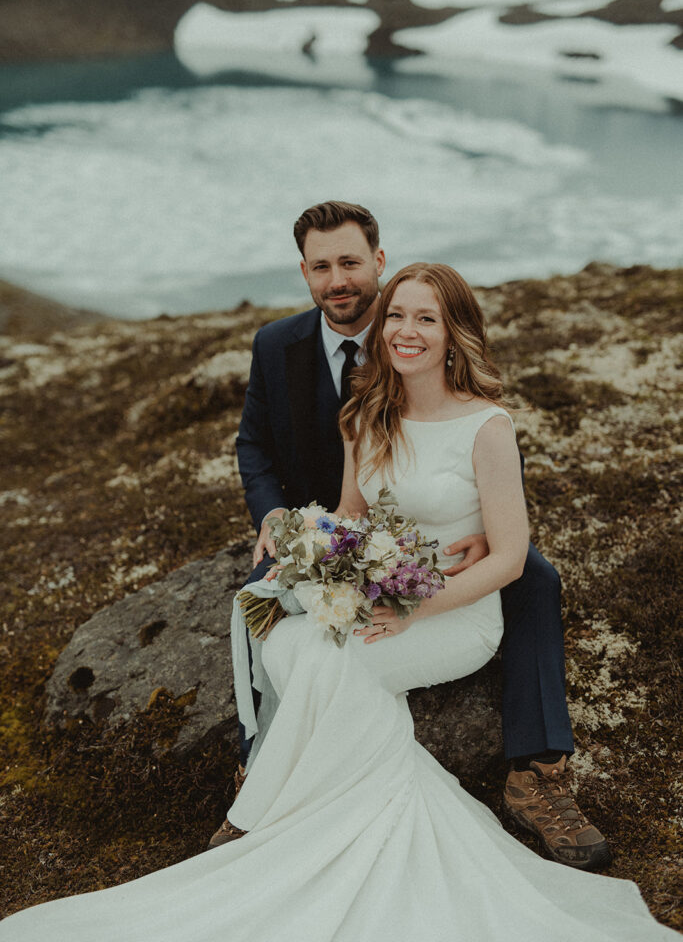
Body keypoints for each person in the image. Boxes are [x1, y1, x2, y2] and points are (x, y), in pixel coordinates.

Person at [1, 262, 675, 942]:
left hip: (454, 614)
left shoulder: (487, 427)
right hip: (380, 592)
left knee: (336, 668)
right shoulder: (363, 415)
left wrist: (418, 606)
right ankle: (298, 810)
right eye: (397, 316)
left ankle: (251, 817)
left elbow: (506, 557)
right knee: (289, 643)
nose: (406, 331)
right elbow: (354, 517)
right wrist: (322, 552)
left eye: (426, 318)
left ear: (453, 334)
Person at [210, 201, 607, 871]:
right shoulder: (305, 366)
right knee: (268, 618)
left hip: (440, 567)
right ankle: (273, 772)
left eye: (351, 264)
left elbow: (481, 495)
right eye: (321, 266)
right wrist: (290, 529)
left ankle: (535, 771)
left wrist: (466, 537)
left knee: (534, 576)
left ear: (377, 264)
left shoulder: (479, 415)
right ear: (304, 272)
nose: (338, 279)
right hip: (356, 544)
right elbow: (274, 458)